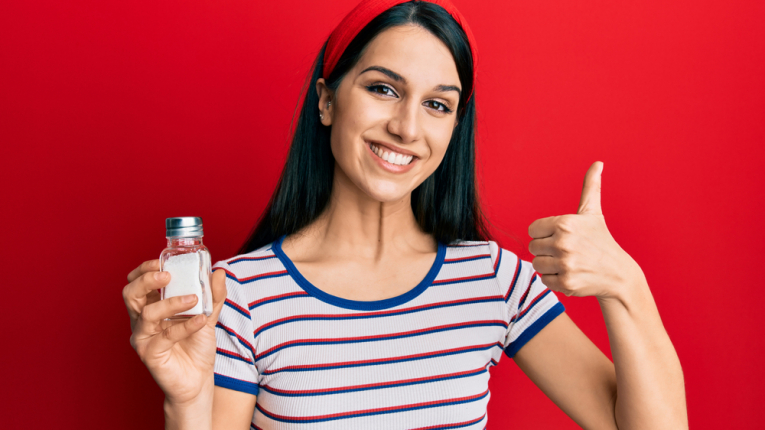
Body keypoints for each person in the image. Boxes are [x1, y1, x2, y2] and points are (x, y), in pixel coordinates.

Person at [122, 0, 688, 428]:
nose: (408, 128)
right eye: (383, 89)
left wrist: (625, 286)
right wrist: (187, 400)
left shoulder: (492, 279)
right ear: (326, 99)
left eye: (437, 105)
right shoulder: (241, 295)